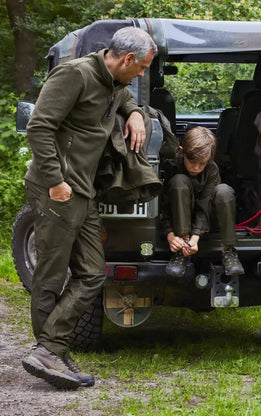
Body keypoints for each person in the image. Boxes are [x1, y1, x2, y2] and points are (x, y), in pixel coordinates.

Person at [22, 26, 157, 390]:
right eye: (142, 67)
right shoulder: (74, 74)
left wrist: (133, 112)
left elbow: (123, 94)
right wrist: (55, 181)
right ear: (126, 59)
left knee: (94, 272)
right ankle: (51, 351)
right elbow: (39, 127)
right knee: (50, 276)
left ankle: (52, 347)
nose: (142, 74)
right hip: (59, 190)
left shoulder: (114, 82)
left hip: (83, 190)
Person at [160, 126, 244, 278]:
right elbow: (163, 207)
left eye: (202, 163)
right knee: (179, 181)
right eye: (192, 161)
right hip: (178, 221)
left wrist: (196, 237)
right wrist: (171, 235)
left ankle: (229, 251)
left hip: (205, 219)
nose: (196, 167)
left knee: (224, 191)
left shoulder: (212, 169)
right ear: (181, 151)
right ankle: (182, 250)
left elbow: (205, 205)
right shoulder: (171, 167)